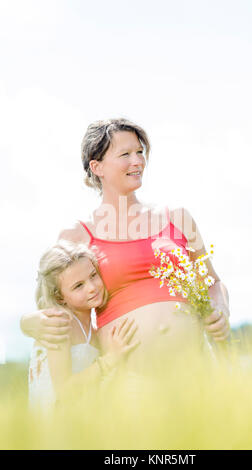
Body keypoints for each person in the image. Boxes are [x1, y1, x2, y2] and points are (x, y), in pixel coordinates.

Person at [21, 118, 230, 376]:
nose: (138, 161)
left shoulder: (179, 218)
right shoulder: (76, 236)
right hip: (128, 378)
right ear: (97, 167)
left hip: (194, 367)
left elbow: (212, 282)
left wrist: (220, 308)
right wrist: (27, 323)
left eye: (140, 152)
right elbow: (51, 304)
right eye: (126, 154)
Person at [28, 240, 139, 408]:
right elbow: (64, 392)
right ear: (60, 298)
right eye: (79, 286)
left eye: (93, 276)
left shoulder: (94, 331)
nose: (92, 287)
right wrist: (110, 359)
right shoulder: (59, 326)